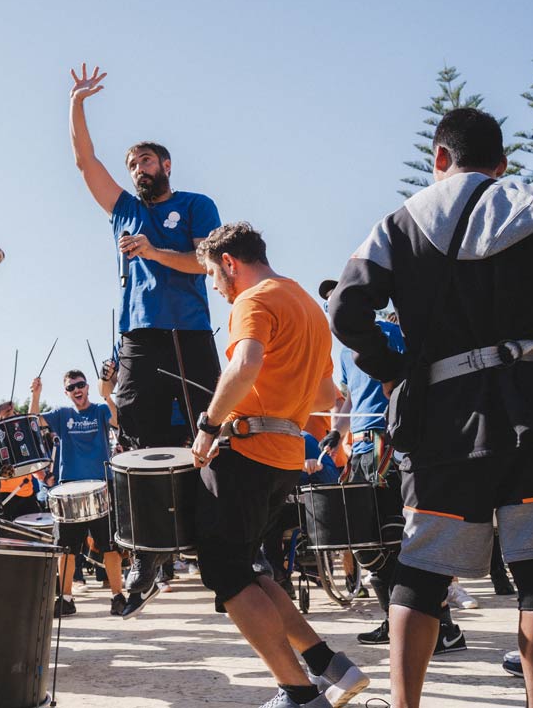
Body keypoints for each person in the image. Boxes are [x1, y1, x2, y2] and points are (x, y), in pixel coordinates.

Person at [329, 107, 533, 708]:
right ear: (502, 165)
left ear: (439, 158)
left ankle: (406, 705)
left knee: (422, 570)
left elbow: (345, 312)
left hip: (442, 418)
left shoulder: (397, 224)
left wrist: (394, 372)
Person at [191, 223, 368, 708]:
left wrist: (208, 425)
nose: (214, 286)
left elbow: (244, 363)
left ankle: (297, 692)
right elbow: (328, 395)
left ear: (229, 263)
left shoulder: (253, 299)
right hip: (287, 457)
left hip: (247, 450)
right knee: (248, 568)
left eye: (212, 273)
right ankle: (328, 665)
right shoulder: (308, 306)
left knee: (226, 576)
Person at [68, 63, 223, 597]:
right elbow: (86, 162)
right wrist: (77, 104)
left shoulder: (196, 205)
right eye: (133, 162)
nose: (138, 168)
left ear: (167, 164)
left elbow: (206, 264)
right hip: (139, 336)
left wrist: (155, 252)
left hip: (191, 334)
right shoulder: (124, 211)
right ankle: (148, 555)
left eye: (146, 159)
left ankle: (226, 550)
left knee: (213, 430)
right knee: (135, 437)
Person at [317, 282, 468, 655]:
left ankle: (443, 628)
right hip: (361, 449)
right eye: (327, 302)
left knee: (401, 537)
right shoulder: (342, 352)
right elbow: (349, 399)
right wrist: (336, 433)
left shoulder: (393, 334)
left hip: (394, 446)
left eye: (336, 299)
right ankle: (394, 619)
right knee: (365, 541)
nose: (329, 306)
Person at [32, 368, 126, 617]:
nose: (77, 390)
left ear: (86, 386)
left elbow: (117, 420)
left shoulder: (100, 410)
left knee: (108, 545)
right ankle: (65, 599)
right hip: (68, 488)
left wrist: (106, 395)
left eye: (81, 385)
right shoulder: (61, 414)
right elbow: (33, 421)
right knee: (66, 548)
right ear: (66, 392)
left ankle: (118, 596)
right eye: (72, 387)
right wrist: (36, 394)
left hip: (100, 484)